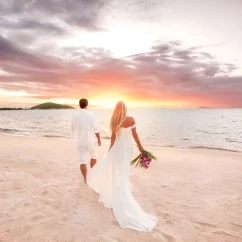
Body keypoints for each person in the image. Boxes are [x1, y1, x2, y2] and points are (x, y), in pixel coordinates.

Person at [87, 101, 158, 231]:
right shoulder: (131, 119)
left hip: (118, 147)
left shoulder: (114, 120)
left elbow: (113, 137)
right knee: (124, 168)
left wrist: (110, 150)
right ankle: (122, 187)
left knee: (116, 169)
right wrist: (140, 147)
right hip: (127, 147)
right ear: (125, 108)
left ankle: (117, 187)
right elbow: (135, 135)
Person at [71, 98, 101, 183]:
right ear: (87, 105)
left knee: (82, 160)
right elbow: (95, 128)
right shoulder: (91, 115)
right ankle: (93, 176)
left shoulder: (74, 115)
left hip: (79, 141)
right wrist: (99, 138)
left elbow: (72, 129)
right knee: (94, 156)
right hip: (90, 140)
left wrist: (78, 136)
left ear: (79, 104)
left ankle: (85, 179)